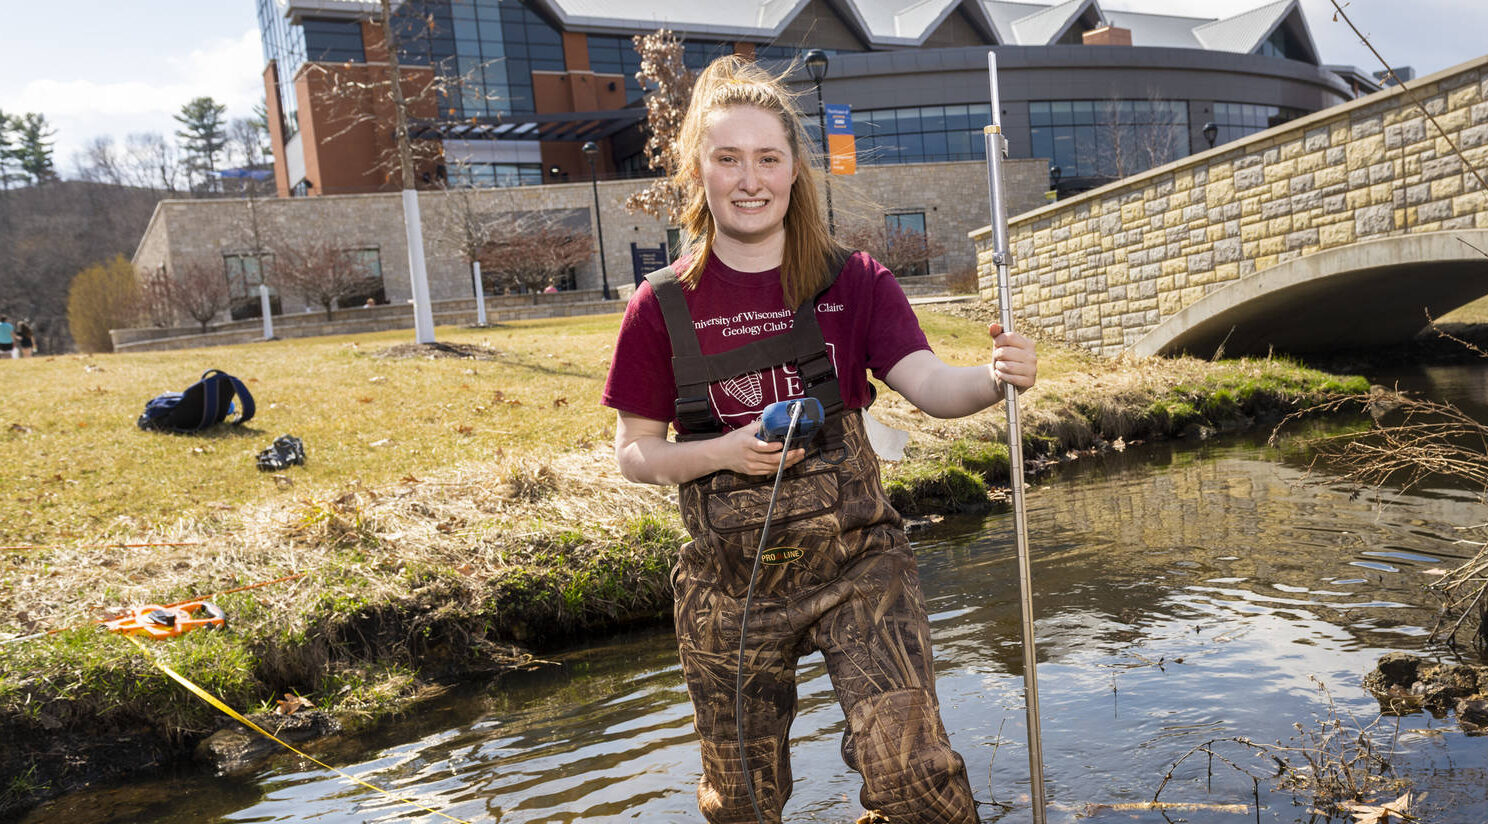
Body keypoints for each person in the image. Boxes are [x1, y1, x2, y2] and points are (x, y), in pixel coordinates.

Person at [601, 56, 1037, 824]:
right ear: (696, 170)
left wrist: (995, 377)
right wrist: (722, 452)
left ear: (794, 170)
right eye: (727, 158)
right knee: (740, 803)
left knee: (911, 777)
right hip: (727, 590)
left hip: (860, 568)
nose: (749, 179)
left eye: (768, 158)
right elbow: (634, 452)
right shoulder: (658, 307)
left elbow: (933, 387)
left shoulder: (854, 281)